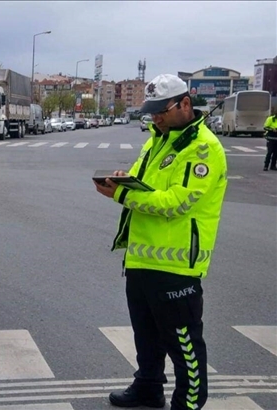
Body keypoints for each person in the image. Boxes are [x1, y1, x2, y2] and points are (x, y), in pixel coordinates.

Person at [94, 74, 228, 410]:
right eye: (151, 111)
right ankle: (149, 387)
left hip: (176, 263)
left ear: (185, 104)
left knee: (183, 342)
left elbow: (176, 203)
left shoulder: (203, 148)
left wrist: (121, 193)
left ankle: (189, 403)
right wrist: (125, 180)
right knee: (146, 335)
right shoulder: (159, 140)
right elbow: (144, 183)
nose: (155, 117)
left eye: (161, 111)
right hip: (142, 258)